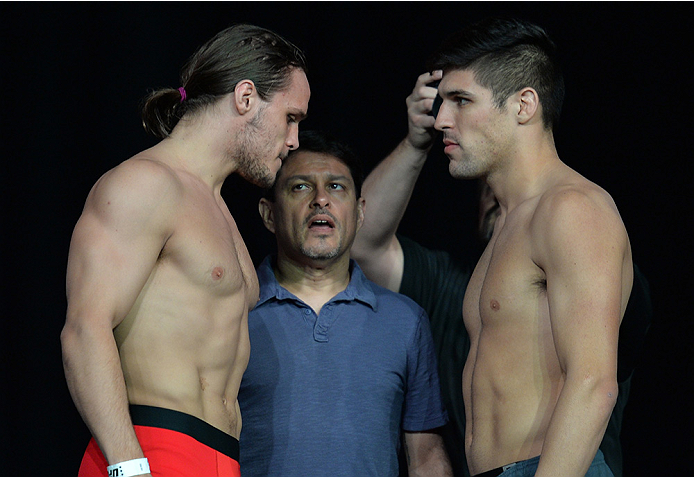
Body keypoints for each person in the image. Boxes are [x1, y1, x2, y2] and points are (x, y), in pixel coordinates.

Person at [352, 18, 639, 477]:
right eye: (442, 102)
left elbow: (593, 384)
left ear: (524, 104)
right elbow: (362, 240)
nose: (442, 119)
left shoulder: (571, 208)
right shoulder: (510, 224)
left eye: (462, 100)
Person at [60, 24, 310, 477]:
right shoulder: (144, 184)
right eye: (291, 117)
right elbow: (84, 329)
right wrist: (128, 468)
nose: (294, 140)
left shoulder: (216, 207)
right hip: (150, 452)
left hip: (219, 458)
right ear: (246, 97)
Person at [236, 130, 453, 476]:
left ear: (360, 212)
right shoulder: (234, 312)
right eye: (301, 187)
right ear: (269, 214)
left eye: (336, 187)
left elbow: (425, 455)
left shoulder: (405, 320)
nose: (321, 200)